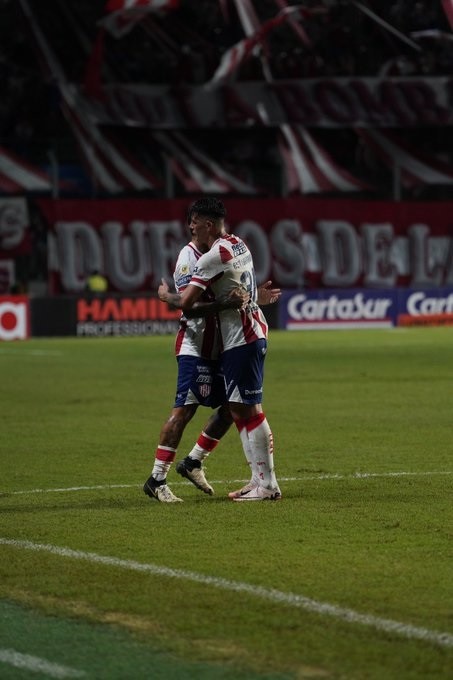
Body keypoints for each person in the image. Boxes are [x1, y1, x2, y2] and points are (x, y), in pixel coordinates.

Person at [143, 207, 281, 503]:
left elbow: (231, 292)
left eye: (194, 223)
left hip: (233, 341)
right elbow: (188, 305)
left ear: (208, 224)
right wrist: (169, 297)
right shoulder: (217, 249)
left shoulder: (214, 255)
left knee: (239, 407)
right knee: (203, 408)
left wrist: (252, 298)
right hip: (201, 345)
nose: (190, 228)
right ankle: (158, 478)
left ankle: (251, 478)